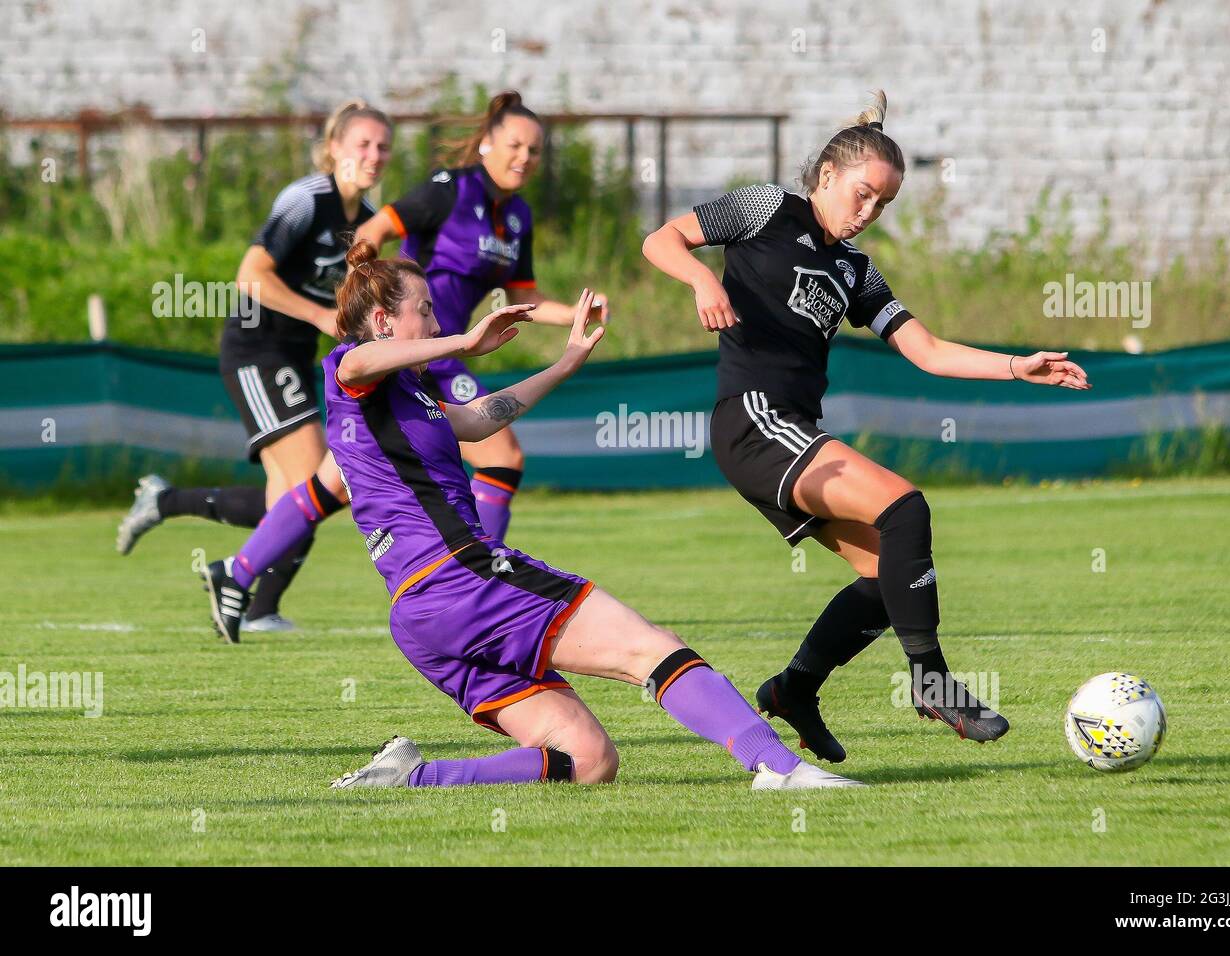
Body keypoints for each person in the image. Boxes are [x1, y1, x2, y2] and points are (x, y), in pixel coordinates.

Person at [642, 90, 1090, 762]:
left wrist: (1017, 367)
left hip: (788, 430)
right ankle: (932, 682)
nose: (868, 212)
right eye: (862, 194)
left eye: (882, 204)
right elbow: (661, 238)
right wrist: (703, 282)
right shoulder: (768, 207)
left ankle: (795, 689)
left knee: (890, 577)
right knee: (905, 507)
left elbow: (927, 351)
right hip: (755, 422)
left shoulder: (855, 270)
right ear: (826, 176)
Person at [310, 240, 856, 790]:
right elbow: (357, 360)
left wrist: (565, 363)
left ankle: (410, 778)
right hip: (459, 578)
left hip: (423, 614)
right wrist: (467, 342)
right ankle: (777, 767)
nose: (433, 321)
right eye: (423, 310)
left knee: (590, 761)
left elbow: (478, 419)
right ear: (382, 321)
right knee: (650, 646)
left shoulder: (405, 393)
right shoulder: (350, 371)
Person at [197, 91, 610, 644]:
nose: (526, 157)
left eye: (535, 150)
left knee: (335, 481)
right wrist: (367, 309)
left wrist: (578, 317)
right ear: (486, 143)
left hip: (439, 348)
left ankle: (238, 570)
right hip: (419, 350)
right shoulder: (446, 190)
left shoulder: (518, 216)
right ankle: (482, 582)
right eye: (515, 144)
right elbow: (374, 234)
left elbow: (524, 295)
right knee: (502, 456)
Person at [116, 99, 394, 634]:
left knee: (290, 500)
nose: (374, 155)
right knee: (321, 481)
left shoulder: (364, 224)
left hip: (291, 355)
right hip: (255, 348)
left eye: (383, 146)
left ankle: (170, 506)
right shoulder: (306, 199)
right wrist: (319, 315)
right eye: (362, 143)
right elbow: (250, 275)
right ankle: (252, 599)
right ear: (334, 147)